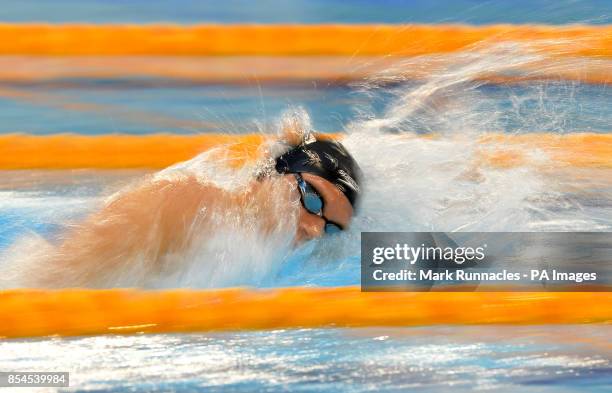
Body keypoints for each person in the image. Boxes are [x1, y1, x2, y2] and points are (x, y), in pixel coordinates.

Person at [5, 117, 362, 288]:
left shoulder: (250, 253)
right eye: (314, 199)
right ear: (272, 174)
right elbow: (51, 282)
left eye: (331, 227)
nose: (314, 228)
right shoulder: (183, 202)